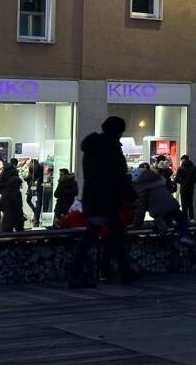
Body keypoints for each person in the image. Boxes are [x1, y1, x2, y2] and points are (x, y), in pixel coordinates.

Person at [69, 116, 139, 289]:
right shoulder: (110, 147)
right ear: (118, 131)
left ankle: (125, 269)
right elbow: (117, 175)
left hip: (95, 198)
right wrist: (131, 193)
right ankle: (77, 275)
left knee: (110, 234)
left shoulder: (93, 147)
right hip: (106, 199)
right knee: (94, 237)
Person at [132, 163, 194, 246]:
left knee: (162, 224)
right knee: (181, 219)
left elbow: (142, 206)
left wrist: (138, 222)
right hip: (171, 205)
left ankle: (163, 244)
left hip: (157, 210)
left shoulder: (141, 186)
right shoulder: (158, 180)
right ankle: (183, 237)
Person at [0, 160, 24, 232]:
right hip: (13, 195)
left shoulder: (3, 172)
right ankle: (18, 229)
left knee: (8, 215)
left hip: (6, 195)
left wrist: (3, 192)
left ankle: (7, 229)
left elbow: (0, 186)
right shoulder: (14, 172)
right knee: (17, 213)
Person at [174, 155, 196, 221]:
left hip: (183, 188)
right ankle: (192, 217)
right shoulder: (194, 167)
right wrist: (191, 182)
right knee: (190, 203)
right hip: (191, 188)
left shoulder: (180, 168)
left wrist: (181, 181)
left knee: (184, 204)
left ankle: (184, 218)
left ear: (183, 160)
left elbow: (176, 179)